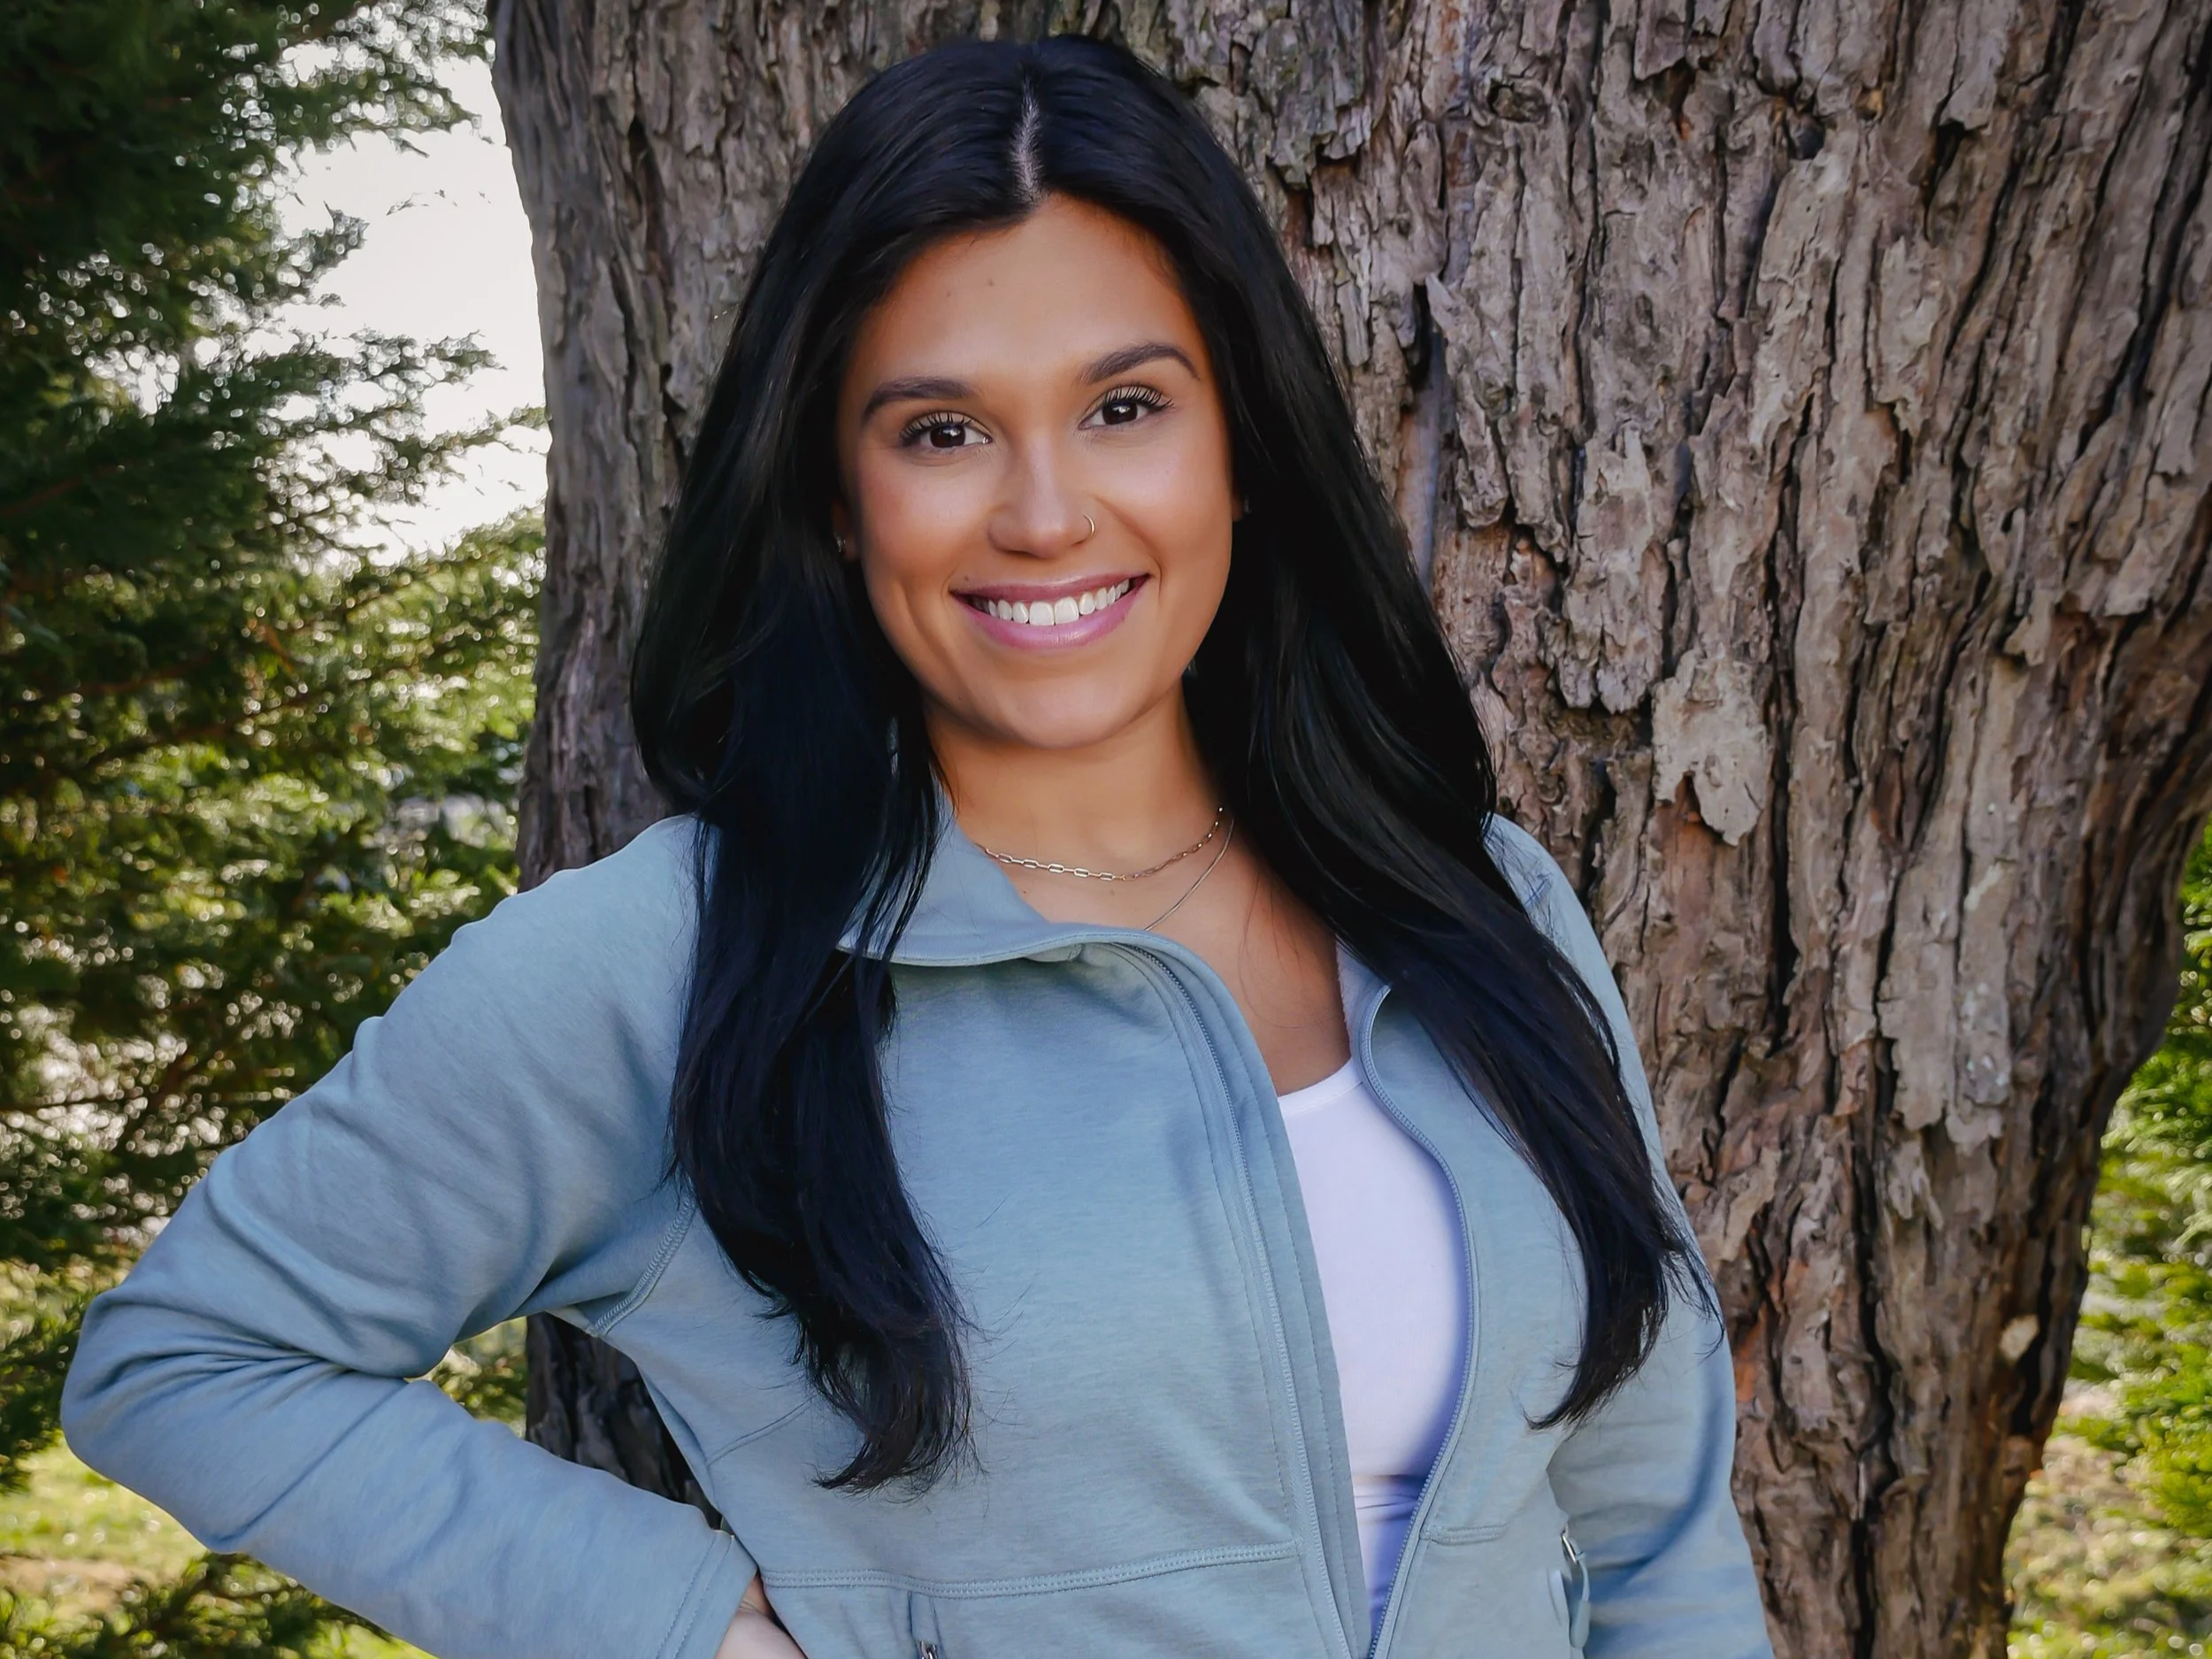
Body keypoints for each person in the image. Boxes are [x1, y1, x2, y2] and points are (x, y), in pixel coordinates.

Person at [62, 35, 1773, 1659]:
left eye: (1125, 406)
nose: (1044, 512)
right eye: (943, 432)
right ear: (836, 491)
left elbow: (1652, 1525)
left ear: (1241, 446)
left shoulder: (1472, 901)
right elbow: (190, 1353)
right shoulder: (676, 967)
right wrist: (685, 1626)